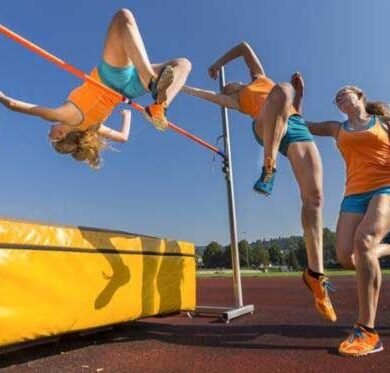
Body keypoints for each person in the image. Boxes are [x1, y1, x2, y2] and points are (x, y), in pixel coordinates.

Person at [182, 42, 336, 322]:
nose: (228, 88)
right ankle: (269, 167)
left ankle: (316, 275)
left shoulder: (258, 77)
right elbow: (204, 94)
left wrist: (218, 63)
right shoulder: (236, 101)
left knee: (314, 199)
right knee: (282, 90)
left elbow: (243, 47)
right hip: (264, 127)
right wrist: (181, 87)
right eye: (226, 90)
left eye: (231, 85)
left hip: (295, 125)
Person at [0, 8, 192, 168]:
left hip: (130, 89)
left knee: (183, 63)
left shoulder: (93, 128)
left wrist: (127, 117)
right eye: (50, 137)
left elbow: (123, 138)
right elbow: (12, 104)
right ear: (60, 135)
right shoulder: (63, 116)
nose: (49, 131)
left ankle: (160, 107)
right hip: (112, 77)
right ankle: (153, 84)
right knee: (123, 17)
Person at [306, 83, 390, 357]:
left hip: (385, 187)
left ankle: (367, 331)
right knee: (347, 257)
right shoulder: (337, 128)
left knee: (364, 241)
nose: (340, 99)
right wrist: (295, 99)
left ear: (360, 95)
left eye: (344, 93)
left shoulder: (383, 122)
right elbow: (302, 123)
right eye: (337, 99)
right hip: (353, 194)